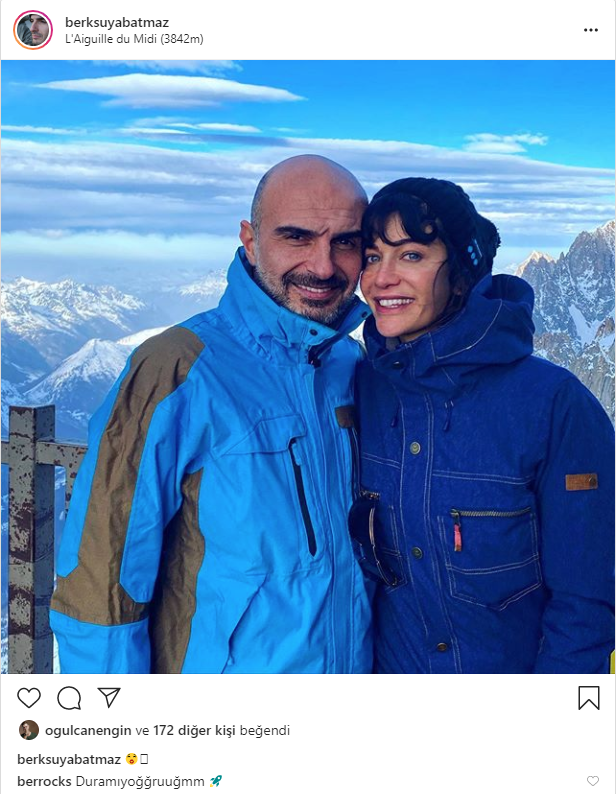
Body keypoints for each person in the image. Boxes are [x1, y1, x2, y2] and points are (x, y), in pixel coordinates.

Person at [50, 155, 373, 674]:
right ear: (250, 240)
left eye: (345, 242)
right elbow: (102, 583)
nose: (322, 266)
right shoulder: (176, 369)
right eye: (296, 237)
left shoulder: (347, 364)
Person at [350, 177, 615, 673]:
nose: (382, 278)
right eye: (371, 256)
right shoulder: (359, 388)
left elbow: (584, 607)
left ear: (461, 273)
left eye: (411, 255)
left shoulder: (553, 406)